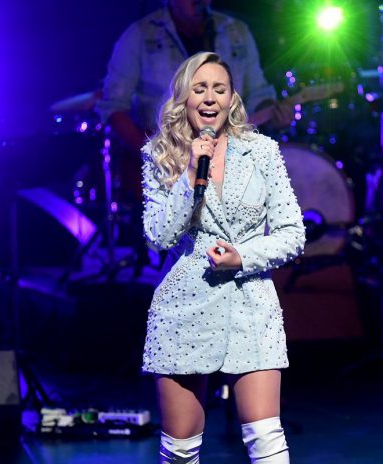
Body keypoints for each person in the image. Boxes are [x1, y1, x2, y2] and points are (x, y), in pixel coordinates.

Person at [141, 51, 305, 463]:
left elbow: (292, 233)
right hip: (185, 307)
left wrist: (242, 257)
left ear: (232, 98)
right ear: (184, 97)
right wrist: (190, 170)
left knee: (267, 443)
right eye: (200, 89)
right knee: (180, 453)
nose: (210, 97)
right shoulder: (160, 156)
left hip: (252, 303)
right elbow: (159, 235)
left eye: (219, 88)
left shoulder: (262, 152)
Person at [95, 0, 292, 156]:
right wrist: (151, 154)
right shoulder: (139, 35)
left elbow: (257, 93)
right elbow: (113, 105)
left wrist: (272, 113)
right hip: (165, 172)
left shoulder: (237, 33)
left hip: (228, 166)